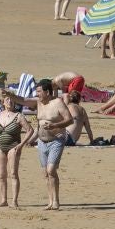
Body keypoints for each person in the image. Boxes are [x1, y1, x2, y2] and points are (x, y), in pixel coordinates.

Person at [35, 79, 75, 211]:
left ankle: (56, 201)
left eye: (39, 91)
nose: (37, 94)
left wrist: (55, 125)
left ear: (47, 92)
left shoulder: (58, 102)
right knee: (46, 173)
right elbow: (23, 100)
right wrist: (10, 95)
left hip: (56, 140)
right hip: (41, 142)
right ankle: (50, 201)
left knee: (51, 170)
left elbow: (69, 120)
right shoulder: (39, 103)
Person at [0, 92, 33, 208]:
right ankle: (3, 200)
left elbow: (30, 130)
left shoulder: (19, 116)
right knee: (1, 174)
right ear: (3, 102)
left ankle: (14, 201)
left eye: (12, 99)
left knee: (13, 174)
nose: (10, 101)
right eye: (7, 99)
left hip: (14, 146)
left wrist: (21, 145)